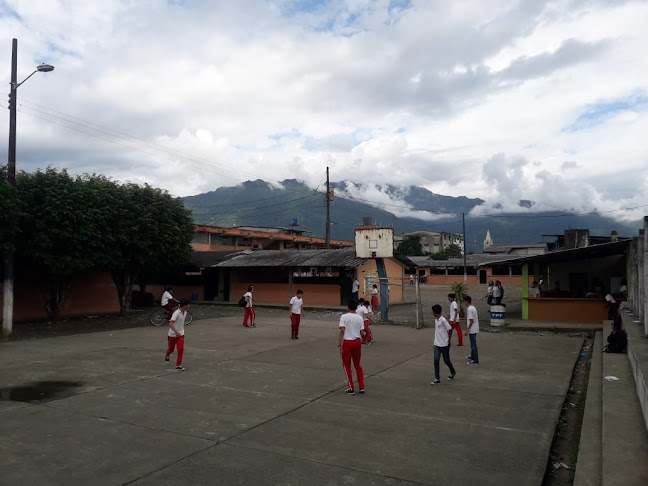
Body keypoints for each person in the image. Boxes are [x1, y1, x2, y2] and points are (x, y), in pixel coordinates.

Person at [337, 300, 365, 395]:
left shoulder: (344, 317)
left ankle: (351, 387)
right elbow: (362, 332)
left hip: (348, 342)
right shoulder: (360, 318)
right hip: (357, 341)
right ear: (356, 308)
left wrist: (339, 343)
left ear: (348, 307)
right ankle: (361, 386)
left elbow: (342, 331)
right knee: (357, 364)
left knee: (346, 365)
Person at [431, 304, 456, 384]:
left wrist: (449, 341)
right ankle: (437, 378)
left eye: (433, 312)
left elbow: (450, 329)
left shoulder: (443, 320)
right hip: (436, 344)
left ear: (435, 312)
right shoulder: (436, 320)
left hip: (444, 344)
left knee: (446, 360)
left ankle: (453, 371)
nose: (432, 313)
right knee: (436, 360)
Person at [165, 298, 190, 371]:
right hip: (172, 335)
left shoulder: (185, 312)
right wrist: (176, 332)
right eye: (188, 305)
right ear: (184, 305)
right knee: (171, 349)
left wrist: (179, 332)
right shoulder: (176, 313)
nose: (189, 306)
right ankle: (167, 354)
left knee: (180, 349)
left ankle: (178, 365)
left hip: (181, 334)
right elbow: (170, 323)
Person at [463, 296, 480, 364]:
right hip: (475, 328)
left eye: (464, 301)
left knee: (473, 345)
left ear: (467, 301)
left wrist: (467, 330)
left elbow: (471, 321)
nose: (464, 303)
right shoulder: (473, 307)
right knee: (473, 343)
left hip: (472, 329)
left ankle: (475, 359)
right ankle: (473, 356)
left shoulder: (469, 309)